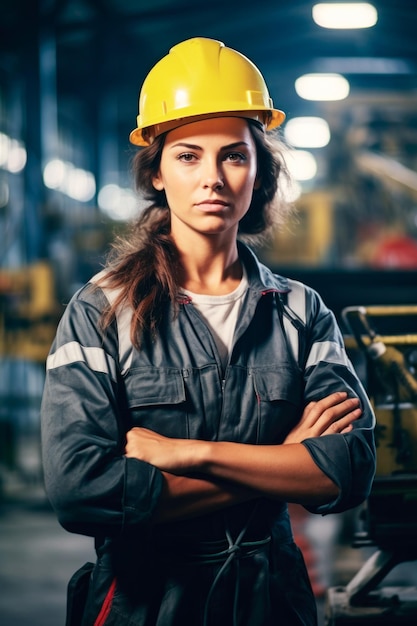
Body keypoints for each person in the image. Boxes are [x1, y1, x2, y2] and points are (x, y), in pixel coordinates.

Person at [41, 37, 376, 626]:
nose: (213, 179)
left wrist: (188, 455)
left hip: (271, 601)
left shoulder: (299, 312)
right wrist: (280, 464)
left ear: (259, 171)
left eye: (234, 156)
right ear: (158, 173)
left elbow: (347, 468)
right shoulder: (101, 312)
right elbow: (82, 492)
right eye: (189, 156)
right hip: (146, 603)